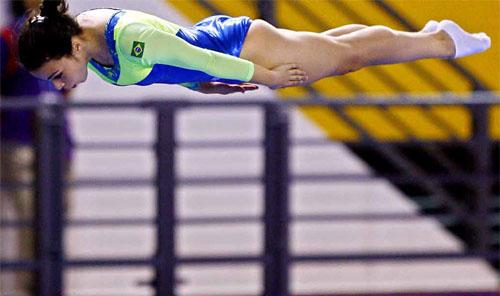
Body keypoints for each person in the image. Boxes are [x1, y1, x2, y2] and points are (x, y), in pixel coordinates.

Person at [18, 0, 490, 95]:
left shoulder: (123, 37)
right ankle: (432, 34)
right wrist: (204, 88)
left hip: (240, 44)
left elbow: (197, 56)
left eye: (56, 74)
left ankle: (440, 40)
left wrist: (264, 76)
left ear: (74, 47)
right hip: (226, 49)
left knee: (348, 58)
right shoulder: (89, 50)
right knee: (335, 54)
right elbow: (175, 64)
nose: (60, 87)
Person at [0, 0, 73, 296]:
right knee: (32, 222)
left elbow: (68, 84)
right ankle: (33, 295)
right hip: (20, 143)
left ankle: (50, 291)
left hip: (57, 145)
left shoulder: (62, 36)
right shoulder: (8, 38)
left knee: (57, 218)